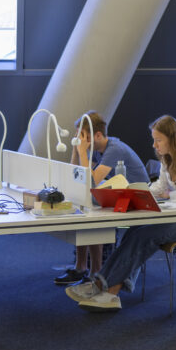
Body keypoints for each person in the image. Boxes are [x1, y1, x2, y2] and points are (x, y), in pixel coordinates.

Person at [65, 114, 176, 312]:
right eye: (154, 140)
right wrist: (135, 194)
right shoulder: (169, 158)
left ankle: (105, 288)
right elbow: (159, 187)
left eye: (158, 140)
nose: (154, 145)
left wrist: (169, 195)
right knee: (136, 230)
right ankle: (105, 284)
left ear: (172, 139)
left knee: (147, 234)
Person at [53, 110, 149, 286]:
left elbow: (89, 182)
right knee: (83, 205)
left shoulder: (114, 150)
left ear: (97, 135)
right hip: (116, 195)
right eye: (78, 136)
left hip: (137, 198)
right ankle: (81, 267)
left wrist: (83, 152)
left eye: (82, 136)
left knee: (89, 209)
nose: (79, 139)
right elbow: (75, 176)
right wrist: (76, 150)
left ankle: (94, 272)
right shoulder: (97, 149)